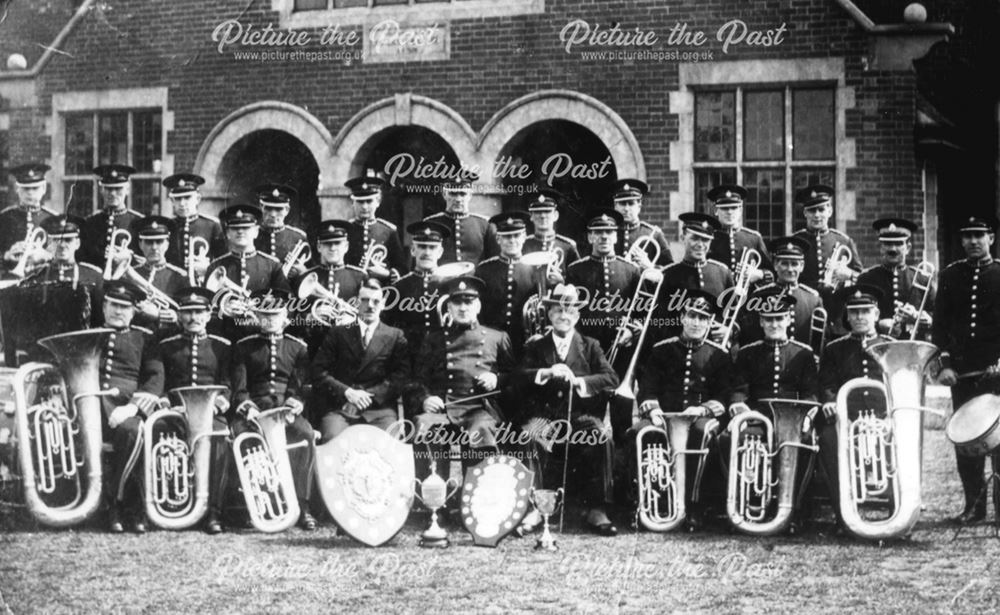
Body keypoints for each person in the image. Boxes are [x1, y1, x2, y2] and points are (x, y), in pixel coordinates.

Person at [516, 283, 620, 535]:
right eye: (558, 311)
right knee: (530, 434)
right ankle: (536, 508)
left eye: (570, 311)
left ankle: (597, 508)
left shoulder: (590, 345)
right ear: (549, 315)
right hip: (546, 418)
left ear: (577, 316)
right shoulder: (535, 346)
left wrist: (580, 381)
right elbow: (517, 378)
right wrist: (545, 372)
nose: (564, 316)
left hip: (580, 417)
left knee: (600, 436)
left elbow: (611, 378)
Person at [634, 289, 733, 528]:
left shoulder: (719, 355)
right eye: (692, 316)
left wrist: (703, 410)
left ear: (710, 323)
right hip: (665, 414)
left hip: (700, 416)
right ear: (682, 318)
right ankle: (646, 502)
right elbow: (647, 387)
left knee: (701, 433)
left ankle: (694, 505)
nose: (697, 322)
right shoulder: (661, 350)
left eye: (703, 318)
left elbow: (724, 395)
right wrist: (654, 411)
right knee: (640, 433)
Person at [724, 291, 819, 530]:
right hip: (758, 417)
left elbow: (811, 393)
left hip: (794, 418)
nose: (774, 324)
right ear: (761, 322)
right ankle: (748, 501)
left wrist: (807, 418)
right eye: (769, 319)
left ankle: (796, 509)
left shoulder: (803, 353)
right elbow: (739, 390)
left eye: (779, 319)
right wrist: (741, 411)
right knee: (727, 439)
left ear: (788, 320)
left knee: (806, 443)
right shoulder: (747, 352)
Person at [406, 276, 514, 478]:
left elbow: (514, 378)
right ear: (449, 307)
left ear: (478, 306)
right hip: (444, 410)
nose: (463, 308)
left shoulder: (497, 337)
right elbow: (417, 380)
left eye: (469, 302)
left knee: (481, 431)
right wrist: (425, 398)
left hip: (479, 410)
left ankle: (475, 503)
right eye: (457, 303)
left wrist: (496, 379)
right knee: (423, 425)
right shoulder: (434, 339)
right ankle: (433, 500)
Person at [231, 289, 317, 531]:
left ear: (286, 316)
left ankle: (303, 505)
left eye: (275, 315)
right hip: (255, 410)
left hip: (285, 410)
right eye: (265, 315)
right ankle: (256, 506)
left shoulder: (298, 347)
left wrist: (296, 402)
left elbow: (301, 385)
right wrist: (247, 407)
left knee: (306, 435)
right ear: (257, 316)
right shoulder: (243, 347)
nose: (270, 320)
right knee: (242, 438)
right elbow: (239, 387)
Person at [150, 287, 233, 533]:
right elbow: (160, 383)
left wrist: (220, 403)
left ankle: (214, 512)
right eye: (187, 313)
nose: (193, 318)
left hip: (210, 415)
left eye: (199, 312)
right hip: (176, 413)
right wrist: (165, 403)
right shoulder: (165, 346)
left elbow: (228, 385)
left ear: (209, 315)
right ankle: (166, 503)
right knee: (155, 431)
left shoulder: (222, 346)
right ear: (178, 316)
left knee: (220, 436)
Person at [934, 216, 1000, 523]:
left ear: (991, 238)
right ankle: (974, 508)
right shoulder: (950, 275)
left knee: (999, 443)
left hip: (996, 374)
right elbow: (941, 327)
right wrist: (945, 364)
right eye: (968, 236)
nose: (974, 241)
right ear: (961, 241)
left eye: (979, 235)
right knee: (966, 443)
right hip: (962, 374)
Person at [815, 285, 893, 530]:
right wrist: (829, 403)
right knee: (829, 439)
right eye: (854, 312)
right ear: (847, 317)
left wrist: (892, 416)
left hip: (884, 416)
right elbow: (826, 384)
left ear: (876, 314)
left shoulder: (890, 345)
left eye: (865, 311)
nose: (860, 317)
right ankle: (843, 514)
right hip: (846, 417)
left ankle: (896, 509)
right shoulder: (834, 348)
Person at [91, 280, 164, 533]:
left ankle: (116, 503)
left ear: (134, 311)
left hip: (127, 405)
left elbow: (155, 378)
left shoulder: (145, 338)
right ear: (103, 306)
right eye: (113, 305)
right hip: (92, 405)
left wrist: (132, 408)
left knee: (132, 432)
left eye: (124, 307)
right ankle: (127, 507)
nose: (118, 311)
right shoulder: (88, 334)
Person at [310, 278, 410, 442]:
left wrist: (367, 396)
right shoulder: (338, 333)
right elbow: (318, 372)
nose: (370, 305)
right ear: (356, 302)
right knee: (333, 439)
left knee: (387, 444)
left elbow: (401, 377)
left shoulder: (395, 336)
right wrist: (348, 392)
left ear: (383, 304)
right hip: (342, 408)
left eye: (376, 301)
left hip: (379, 410)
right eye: (364, 300)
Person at [204, 205, 290, 341]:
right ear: (227, 233)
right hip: (226, 338)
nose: (240, 232)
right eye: (235, 228)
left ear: (256, 232)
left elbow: (287, 306)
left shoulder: (272, 265)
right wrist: (223, 309)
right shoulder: (215, 266)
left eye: (246, 228)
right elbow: (206, 308)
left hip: (262, 340)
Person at [476, 211, 559, 351]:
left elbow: (548, 307)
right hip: (492, 340)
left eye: (516, 235)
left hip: (527, 340)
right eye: (507, 236)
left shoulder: (537, 267)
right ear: (498, 239)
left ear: (524, 237)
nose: (512, 240)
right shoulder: (484, 269)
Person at [566, 210, 641, 352]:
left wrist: (632, 331)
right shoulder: (575, 270)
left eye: (609, 232)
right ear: (590, 237)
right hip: (585, 346)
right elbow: (569, 310)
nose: (604, 237)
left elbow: (642, 312)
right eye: (598, 232)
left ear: (616, 237)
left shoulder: (631, 270)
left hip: (623, 346)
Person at [653, 212, 733, 344]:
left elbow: (736, 311)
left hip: (715, 354)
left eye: (705, 240)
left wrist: (729, 329)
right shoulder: (668, 275)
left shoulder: (723, 273)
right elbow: (660, 320)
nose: (700, 244)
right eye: (695, 238)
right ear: (682, 237)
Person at [382, 221, 450, 367]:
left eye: (432, 247)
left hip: (443, 354)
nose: (427, 252)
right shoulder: (399, 287)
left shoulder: (450, 285)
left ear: (440, 252)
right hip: (408, 357)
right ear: (413, 250)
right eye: (422, 247)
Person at [292, 219, 366, 353]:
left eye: (337, 243)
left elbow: (371, 315)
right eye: (327, 244)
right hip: (314, 347)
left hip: (349, 349)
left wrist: (354, 320)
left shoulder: (360, 277)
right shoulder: (305, 277)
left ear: (346, 246)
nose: (332, 248)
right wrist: (310, 318)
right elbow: (290, 319)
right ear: (319, 247)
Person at [857, 218, 935, 339]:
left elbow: (939, 317)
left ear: (908, 248)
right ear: (880, 247)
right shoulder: (866, 279)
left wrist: (918, 317)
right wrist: (878, 324)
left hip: (913, 350)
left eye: (898, 244)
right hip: (877, 347)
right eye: (887, 244)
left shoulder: (922, 279)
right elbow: (852, 316)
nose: (892, 249)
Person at [741, 237, 823, 347]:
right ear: (775, 265)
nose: (790, 269)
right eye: (784, 263)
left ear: (802, 266)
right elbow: (750, 336)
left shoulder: (813, 299)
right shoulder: (759, 296)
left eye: (794, 264)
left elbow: (819, 340)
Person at [792, 184, 862, 292]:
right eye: (812, 210)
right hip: (806, 303)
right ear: (805, 213)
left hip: (836, 302)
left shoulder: (844, 241)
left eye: (821, 210)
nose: (817, 215)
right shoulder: (795, 242)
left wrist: (849, 274)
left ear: (830, 211)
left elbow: (861, 278)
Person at [344, 170, 407, 282]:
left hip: (381, 291)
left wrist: (387, 273)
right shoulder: (345, 231)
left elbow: (401, 268)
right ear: (352, 203)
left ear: (378, 202)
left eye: (369, 201)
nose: (364, 206)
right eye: (360, 202)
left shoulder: (389, 231)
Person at [162, 173, 225, 284]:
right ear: (172, 201)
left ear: (198, 199)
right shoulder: (166, 227)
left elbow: (223, 262)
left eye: (187, 197)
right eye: (177, 199)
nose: (182, 203)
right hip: (172, 286)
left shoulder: (212, 226)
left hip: (202, 285)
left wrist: (208, 269)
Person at [79, 164, 144, 269]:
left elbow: (146, 261)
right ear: (101, 190)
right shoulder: (89, 223)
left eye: (118, 189)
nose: (113, 193)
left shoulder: (138, 222)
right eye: (108, 189)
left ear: (127, 190)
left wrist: (129, 256)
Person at [128, 216, 187, 333]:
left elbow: (189, 316)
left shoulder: (181, 277)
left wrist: (162, 315)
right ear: (140, 244)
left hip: (168, 340)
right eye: (149, 242)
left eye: (159, 242)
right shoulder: (131, 273)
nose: (154, 247)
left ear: (167, 244)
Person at [424, 172, 497, 265]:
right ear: (444, 194)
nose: (458, 199)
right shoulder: (431, 224)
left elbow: (494, 262)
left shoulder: (485, 225)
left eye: (463, 194)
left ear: (470, 196)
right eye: (453, 194)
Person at [707, 184, 771, 282]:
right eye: (724, 208)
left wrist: (760, 274)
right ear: (716, 210)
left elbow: (773, 273)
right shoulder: (708, 238)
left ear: (740, 210)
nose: (729, 212)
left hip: (749, 296)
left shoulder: (754, 238)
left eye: (734, 208)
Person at [0, 163, 55, 274]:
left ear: (43, 188)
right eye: (25, 189)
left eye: (35, 188)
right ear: (17, 189)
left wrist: (46, 255)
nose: (30, 193)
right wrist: (6, 256)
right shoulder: (4, 218)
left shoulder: (54, 219)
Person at [611, 179, 673, 268]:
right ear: (615, 205)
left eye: (631, 204)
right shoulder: (607, 234)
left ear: (639, 206)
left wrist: (650, 266)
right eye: (622, 203)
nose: (626, 209)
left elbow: (670, 272)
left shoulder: (654, 234)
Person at [255, 183, 310, 278]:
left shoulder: (299, 237)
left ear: (287, 210)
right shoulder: (252, 235)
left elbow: (311, 272)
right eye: (268, 208)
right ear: (261, 207)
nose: (273, 214)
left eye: (278, 209)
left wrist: (301, 271)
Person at [522, 189, 580, 275]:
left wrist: (562, 282)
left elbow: (577, 279)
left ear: (555, 215)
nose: (542, 216)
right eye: (538, 212)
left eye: (547, 211)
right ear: (531, 216)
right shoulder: (523, 245)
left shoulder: (567, 246)